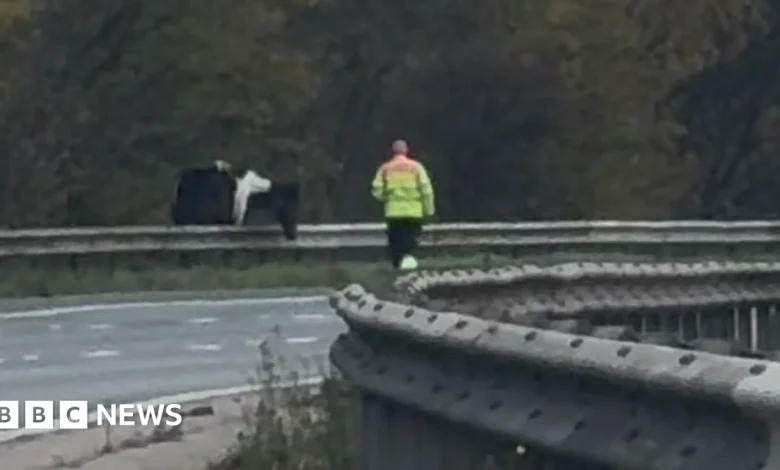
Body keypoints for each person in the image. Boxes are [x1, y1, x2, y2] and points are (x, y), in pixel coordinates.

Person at [371, 139, 435, 270]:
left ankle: (397, 267)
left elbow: (377, 190)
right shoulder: (416, 167)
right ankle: (409, 265)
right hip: (414, 212)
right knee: (410, 242)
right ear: (406, 151)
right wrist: (429, 210)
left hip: (394, 212)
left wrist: (387, 199)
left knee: (396, 243)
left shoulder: (386, 168)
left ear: (393, 152)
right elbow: (426, 190)